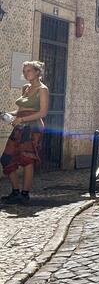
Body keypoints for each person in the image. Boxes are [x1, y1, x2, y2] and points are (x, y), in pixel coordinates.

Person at [2, 61, 50, 205]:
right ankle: (15, 192)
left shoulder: (43, 89)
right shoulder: (26, 88)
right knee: (6, 158)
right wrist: (7, 114)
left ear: (37, 72)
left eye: (28, 70)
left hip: (33, 127)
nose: (25, 73)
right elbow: (20, 109)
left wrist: (21, 119)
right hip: (20, 126)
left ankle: (25, 194)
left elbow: (43, 112)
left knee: (27, 160)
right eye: (24, 71)